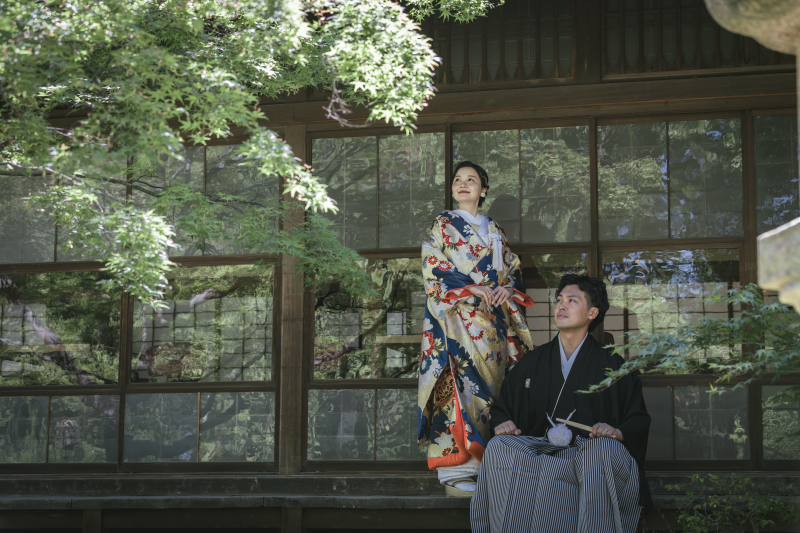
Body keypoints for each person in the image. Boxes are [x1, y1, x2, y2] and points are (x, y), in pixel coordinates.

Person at [470, 274, 652, 533]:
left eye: (572, 300)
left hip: (591, 452)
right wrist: (503, 424)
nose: (561, 306)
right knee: (500, 446)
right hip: (540, 447)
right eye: (559, 300)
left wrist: (616, 432)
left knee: (599, 452)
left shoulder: (614, 366)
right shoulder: (533, 361)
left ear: (592, 312)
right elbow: (502, 409)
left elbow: (638, 418)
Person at [417, 161, 535, 497]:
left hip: (493, 324)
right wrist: (472, 289)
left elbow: (511, 269)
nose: (463, 184)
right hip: (456, 320)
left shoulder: (496, 230)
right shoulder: (444, 224)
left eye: (472, 180)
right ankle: (456, 471)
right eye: (458, 180)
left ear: (483, 190)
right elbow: (432, 266)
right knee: (457, 386)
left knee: (493, 392)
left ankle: (488, 466)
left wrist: (506, 290)